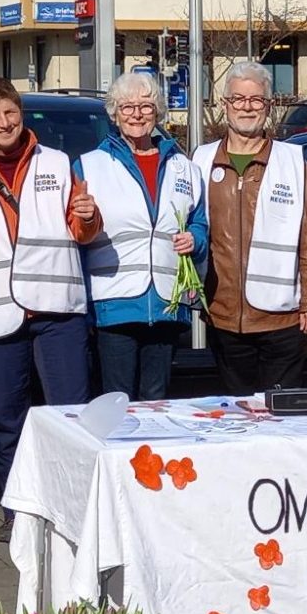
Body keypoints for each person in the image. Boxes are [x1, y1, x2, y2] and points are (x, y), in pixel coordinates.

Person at [0, 77, 102, 542]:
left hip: (58, 310)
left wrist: (88, 216)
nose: (5, 123)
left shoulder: (59, 163)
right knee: (8, 421)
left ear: (20, 113)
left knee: (69, 416)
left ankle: (73, 505)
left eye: (10, 113)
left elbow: (83, 230)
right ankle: (17, 512)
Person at [192, 61, 307, 394]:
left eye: (256, 100)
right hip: (222, 315)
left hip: (281, 316)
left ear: (268, 107)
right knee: (236, 419)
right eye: (238, 99)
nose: (247, 107)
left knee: (279, 419)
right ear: (225, 105)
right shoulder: (201, 160)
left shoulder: (293, 162)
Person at [75, 72, 208, 400]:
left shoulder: (183, 167)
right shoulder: (89, 166)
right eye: (127, 107)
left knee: (157, 400)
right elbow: (76, 235)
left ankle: (152, 454)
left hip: (166, 303)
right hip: (114, 302)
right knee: (117, 401)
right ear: (114, 113)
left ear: (159, 112)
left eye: (146, 106)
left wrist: (195, 238)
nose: (137, 114)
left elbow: (201, 223)